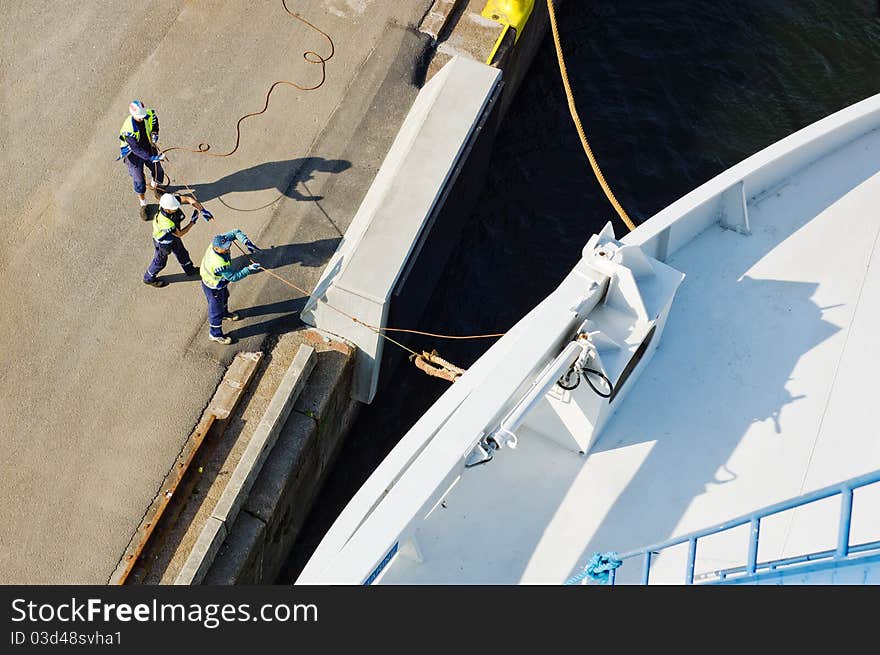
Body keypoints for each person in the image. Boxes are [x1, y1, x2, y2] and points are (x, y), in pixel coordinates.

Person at [200, 230, 262, 344]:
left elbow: (235, 232)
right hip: (213, 286)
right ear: (217, 249)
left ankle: (225, 313)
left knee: (225, 296)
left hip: (219, 283)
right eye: (225, 247)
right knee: (215, 310)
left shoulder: (216, 243)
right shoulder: (219, 264)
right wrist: (249, 269)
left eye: (228, 245)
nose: (228, 248)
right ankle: (215, 334)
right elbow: (233, 277)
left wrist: (246, 242)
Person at [143, 193, 214, 288]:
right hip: (163, 243)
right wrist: (192, 222)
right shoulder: (166, 222)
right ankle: (148, 278)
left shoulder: (169, 202)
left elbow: (189, 199)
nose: (176, 209)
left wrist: (202, 210)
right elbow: (180, 233)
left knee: (183, 254)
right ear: (167, 209)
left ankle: (190, 270)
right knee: (160, 262)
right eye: (174, 208)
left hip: (173, 238)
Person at [118, 100, 166, 221]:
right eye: (139, 117)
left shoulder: (148, 114)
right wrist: (151, 157)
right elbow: (136, 149)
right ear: (133, 115)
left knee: (158, 170)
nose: (142, 118)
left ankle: (156, 187)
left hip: (148, 147)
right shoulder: (128, 129)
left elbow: (154, 122)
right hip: (133, 154)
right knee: (139, 180)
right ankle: (143, 204)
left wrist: (155, 132)